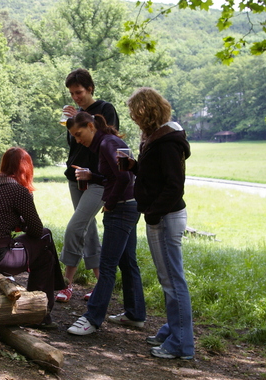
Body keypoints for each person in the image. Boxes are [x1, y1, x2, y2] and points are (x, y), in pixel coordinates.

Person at [126, 87, 194, 360]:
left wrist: (153, 212)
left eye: (135, 112)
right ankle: (172, 329)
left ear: (146, 111)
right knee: (168, 279)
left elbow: (174, 185)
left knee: (173, 282)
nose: (132, 117)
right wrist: (134, 166)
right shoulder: (157, 138)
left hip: (165, 218)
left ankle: (181, 345)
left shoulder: (167, 141)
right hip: (160, 216)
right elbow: (154, 175)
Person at [0, 147, 66, 327]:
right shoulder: (18, 190)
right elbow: (36, 230)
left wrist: (17, 222)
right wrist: (22, 222)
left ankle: (49, 299)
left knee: (46, 246)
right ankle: (40, 314)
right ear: (26, 168)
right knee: (46, 240)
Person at [65, 112, 146, 336]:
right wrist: (94, 176)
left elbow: (124, 177)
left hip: (121, 208)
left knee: (108, 264)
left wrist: (109, 202)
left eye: (79, 134)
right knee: (128, 261)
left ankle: (92, 318)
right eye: (74, 137)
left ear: (91, 126)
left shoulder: (107, 144)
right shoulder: (112, 142)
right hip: (130, 205)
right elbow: (120, 174)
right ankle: (135, 314)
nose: (78, 140)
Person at [56, 68, 121, 303]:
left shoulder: (105, 109)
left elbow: (108, 137)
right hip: (75, 176)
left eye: (79, 92)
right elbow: (75, 145)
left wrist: (83, 117)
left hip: (97, 178)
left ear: (90, 88)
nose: (76, 97)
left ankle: (65, 282)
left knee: (75, 227)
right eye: (72, 94)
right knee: (87, 227)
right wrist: (71, 122)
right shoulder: (77, 113)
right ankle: (96, 283)